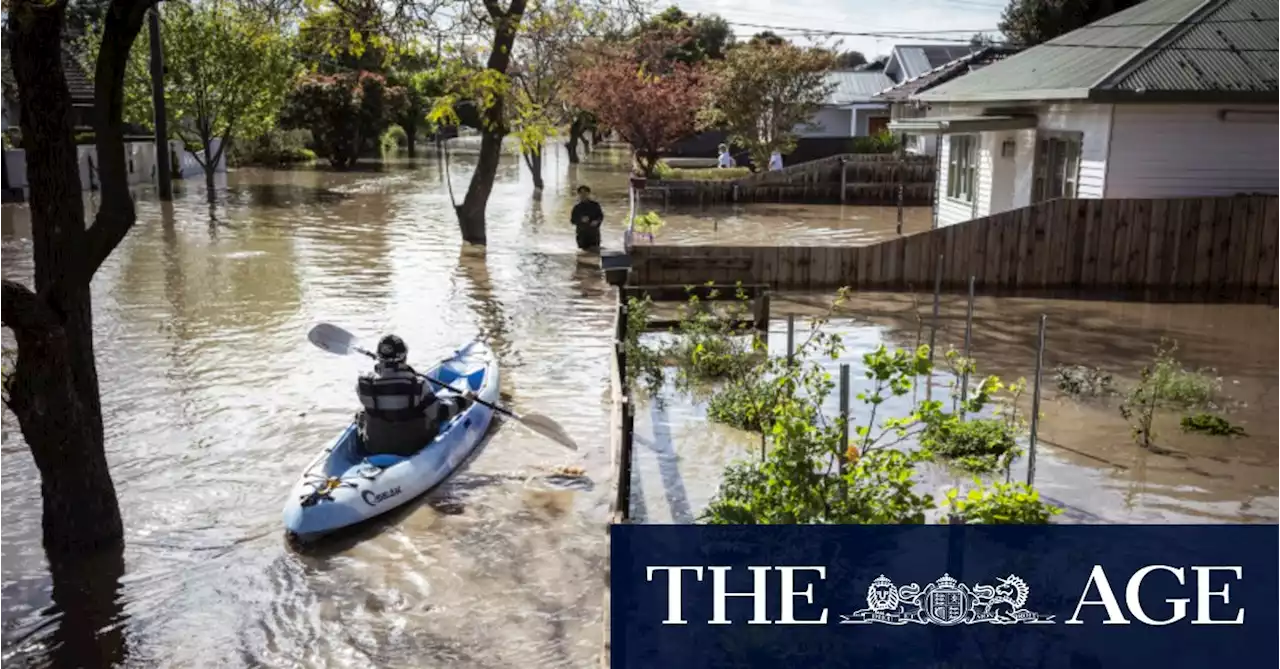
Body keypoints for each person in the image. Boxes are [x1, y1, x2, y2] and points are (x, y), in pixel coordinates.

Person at [356, 334, 473, 457]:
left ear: (379, 357)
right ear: (404, 357)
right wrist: (463, 401)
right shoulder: (418, 385)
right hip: (411, 446)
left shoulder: (363, 385)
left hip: (374, 447)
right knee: (432, 413)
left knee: (362, 413)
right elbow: (440, 413)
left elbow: (384, 383)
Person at [570, 185, 604, 251]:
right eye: (581, 193)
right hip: (582, 236)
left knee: (595, 255)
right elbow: (572, 221)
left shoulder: (595, 205)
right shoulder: (577, 208)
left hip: (594, 235)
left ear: (589, 194)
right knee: (582, 256)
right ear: (578, 195)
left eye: (585, 193)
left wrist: (597, 221)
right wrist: (581, 220)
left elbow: (600, 216)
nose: (583, 195)